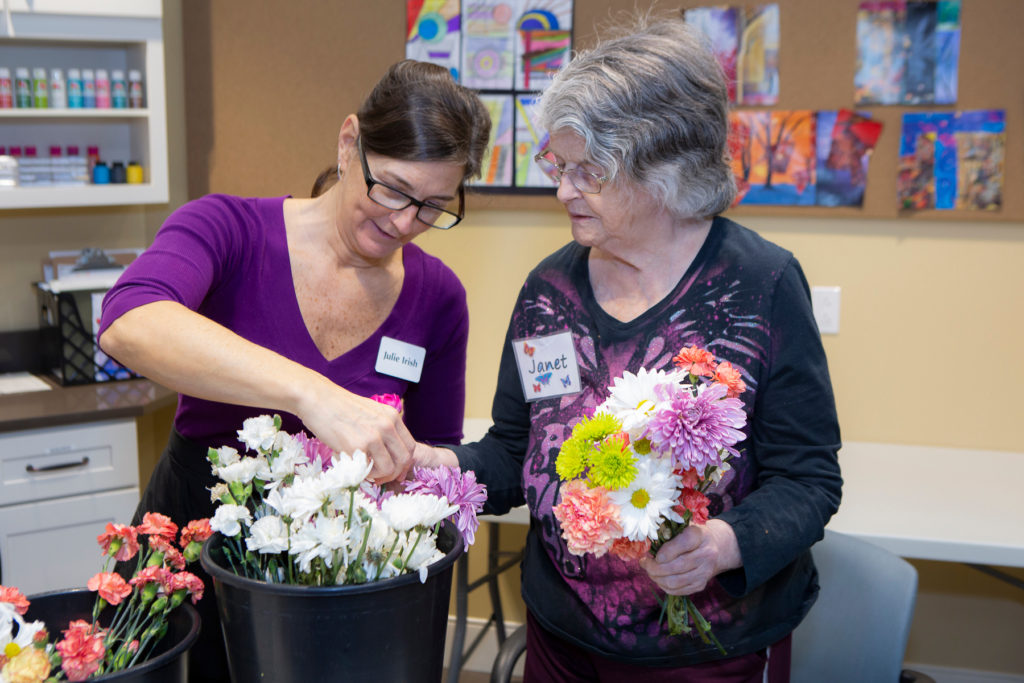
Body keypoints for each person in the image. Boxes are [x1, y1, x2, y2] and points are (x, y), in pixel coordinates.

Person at [414, 15, 842, 682]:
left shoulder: (761, 285)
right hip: (562, 637)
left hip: (707, 651)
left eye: (588, 171)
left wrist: (723, 544)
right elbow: (513, 451)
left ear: (665, 171)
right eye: (559, 164)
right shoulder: (548, 291)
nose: (562, 189)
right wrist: (428, 465)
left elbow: (808, 476)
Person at [97, 59, 490, 683]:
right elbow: (129, 320)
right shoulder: (229, 230)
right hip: (191, 545)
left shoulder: (437, 297)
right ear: (348, 142)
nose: (403, 223)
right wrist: (312, 395)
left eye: (433, 207)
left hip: (324, 575)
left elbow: (431, 458)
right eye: (390, 188)